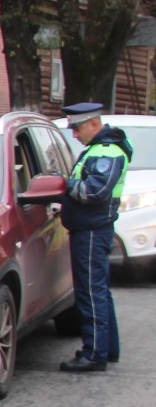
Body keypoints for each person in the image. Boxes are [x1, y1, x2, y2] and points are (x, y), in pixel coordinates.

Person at [58, 102, 132, 373]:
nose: (75, 135)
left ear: (94, 124)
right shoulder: (98, 149)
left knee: (90, 291)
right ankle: (106, 349)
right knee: (98, 290)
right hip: (92, 229)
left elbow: (93, 192)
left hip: (91, 230)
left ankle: (93, 354)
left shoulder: (107, 152)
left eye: (77, 128)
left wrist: (65, 185)